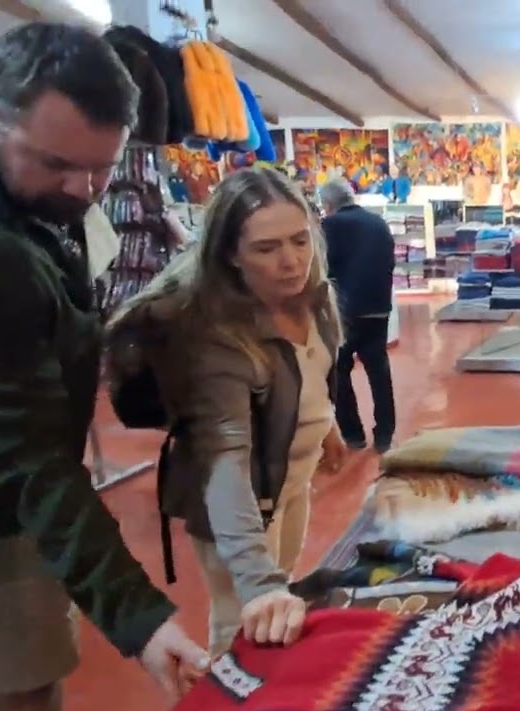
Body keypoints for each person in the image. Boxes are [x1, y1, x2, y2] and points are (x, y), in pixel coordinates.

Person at [0, 21, 206, 711]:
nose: (84, 189)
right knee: (19, 692)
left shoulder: (24, 202)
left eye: (103, 167)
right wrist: (142, 621)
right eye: (58, 165)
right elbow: (29, 460)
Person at [107, 167, 348, 656]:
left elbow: (309, 373)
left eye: (300, 240)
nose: (291, 261)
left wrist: (327, 426)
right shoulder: (218, 340)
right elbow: (225, 465)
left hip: (291, 485)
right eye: (267, 248)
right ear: (230, 255)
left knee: (282, 605)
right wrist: (259, 584)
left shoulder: (311, 297)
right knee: (241, 625)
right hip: (243, 504)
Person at [319, 177, 397, 453]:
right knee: (378, 369)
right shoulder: (378, 223)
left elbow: (321, 269)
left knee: (339, 371)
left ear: (328, 204)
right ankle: (385, 435)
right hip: (378, 307)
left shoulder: (327, 227)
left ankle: (353, 434)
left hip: (344, 311)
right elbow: (390, 260)